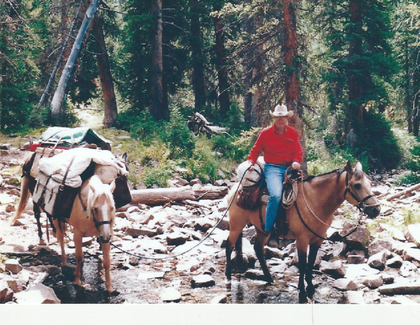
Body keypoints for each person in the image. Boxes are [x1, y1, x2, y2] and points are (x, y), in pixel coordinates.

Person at [248, 104, 303, 233]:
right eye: (278, 117)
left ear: (287, 119)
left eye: (283, 117)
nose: (281, 120)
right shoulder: (266, 133)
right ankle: (268, 228)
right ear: (274, 118)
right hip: (272, 168)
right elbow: (255, 150)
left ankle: (296, 225)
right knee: (276, 195)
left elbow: (298, 151)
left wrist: (296, 161)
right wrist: (251, 162)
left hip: (289, 168)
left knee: (303, 194)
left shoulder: (292, 133)